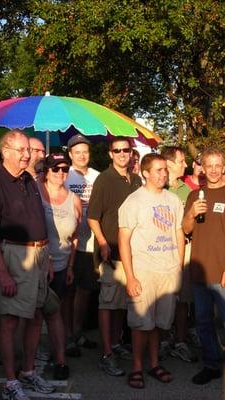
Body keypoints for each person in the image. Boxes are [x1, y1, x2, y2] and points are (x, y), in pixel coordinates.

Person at [0, 129, 55, 400]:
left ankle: (28, 372)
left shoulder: (29, 180)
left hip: (38, 256)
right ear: (5, 152)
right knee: (10, 321)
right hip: (13, 257)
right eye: (22, 150)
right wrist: (2, 271)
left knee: (35, 317)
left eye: (29, 150)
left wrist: (45, 259)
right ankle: (11, 382)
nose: (27, 155)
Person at [183, 147, 225, 389]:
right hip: (200, 272)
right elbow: (186, 229)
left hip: (224, 271)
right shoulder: (194, 196)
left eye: (216, 165)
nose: (212, 170)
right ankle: (211, 364)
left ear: (223, 167)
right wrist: (191, 213)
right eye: (207, 165)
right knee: (203, 321)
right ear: (201, 167)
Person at [118, 153, 185, 389]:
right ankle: (137, 367)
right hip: (143, 270)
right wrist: (130, 276)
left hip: (168, 269)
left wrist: (178, 266)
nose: (163, 174)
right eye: (157, 170)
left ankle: (155, 364)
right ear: (145, 173)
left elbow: (178, 232)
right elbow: (123, 239)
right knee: (140, 323)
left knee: (159, 323)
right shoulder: (134, 201)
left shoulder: (173, 200)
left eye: (165, 169)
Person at [87, 137, 142, 377]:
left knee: (121, 304)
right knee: (107, 304)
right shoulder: (104, 179)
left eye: (126, 150)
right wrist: (101, 243)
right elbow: (92, 216)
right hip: (110, 250)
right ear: (110, 154)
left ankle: (117, 344)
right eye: (117, 150)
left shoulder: (137, 179)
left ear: (131, 153)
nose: (122, 154)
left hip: (132, 253)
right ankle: (106, 353)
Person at [38, 152, 82, 380]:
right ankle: (32, 359)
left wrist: (72, 265)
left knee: (57, 313)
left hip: (64, 263)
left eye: (65, 169)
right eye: (55, 169)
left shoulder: (73, 199)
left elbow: (74, 237)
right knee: (35, 314)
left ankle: (60, 358)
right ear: (46, 170)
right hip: (38, 264)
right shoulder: (36, 194)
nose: (60, 173)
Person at [160, 146, 197, 363]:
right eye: (182, 161)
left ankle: (180, 341)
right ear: (169, 163)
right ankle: (163, 340)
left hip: (186, 248)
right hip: (162, 250)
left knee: (184, 298)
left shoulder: (187, 190)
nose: (186, 164)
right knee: (163, 298)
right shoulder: (157, 188)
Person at [65, 134, 100, 355]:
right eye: (77, 152)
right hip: (68, 244)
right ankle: (67, 335)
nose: (82, 155)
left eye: (85, 151)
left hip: (91, 242)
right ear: (70, 154)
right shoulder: (63, 174)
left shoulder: (97, 177)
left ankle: (77, 332)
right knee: (67, 292)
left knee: (85, 290)